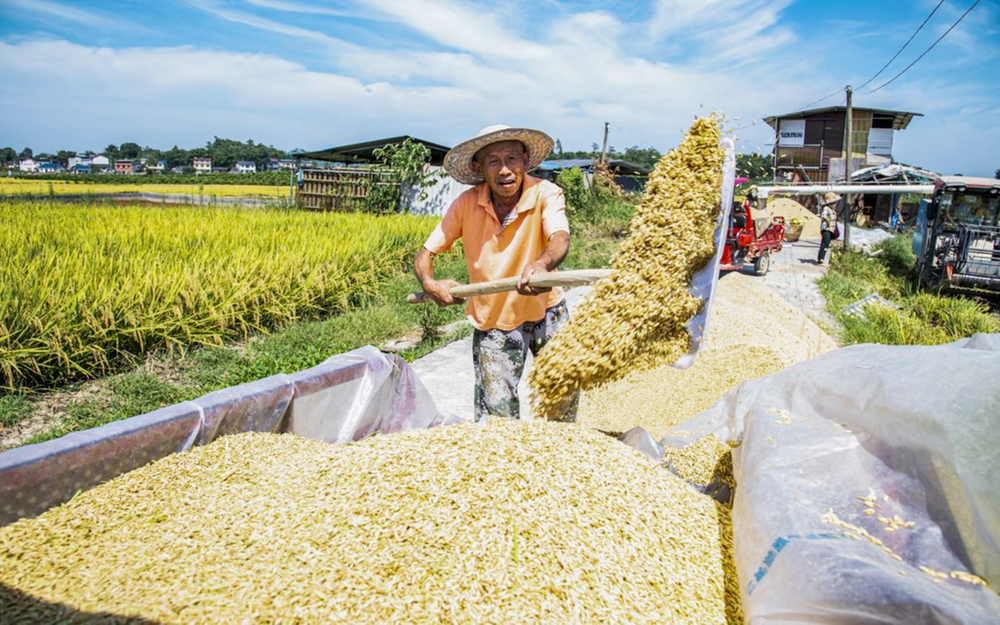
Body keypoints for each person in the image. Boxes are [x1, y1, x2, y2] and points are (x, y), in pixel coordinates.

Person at [413, 125, 575, 421]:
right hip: (495, 320)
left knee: (562, 398)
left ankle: (559, 448)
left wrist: (540, 265)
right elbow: (425, 253)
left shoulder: (545, 193)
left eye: (511, 158)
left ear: (525, 160)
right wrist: (430, 283)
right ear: (479, 168)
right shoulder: (466, 204)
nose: (505, 170)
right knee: (497, 415)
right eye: (493, 162)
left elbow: (560, 238)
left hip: (548, 312)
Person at [817, 192, 840, 265]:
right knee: (824, 244)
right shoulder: (826, 208)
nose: (835, 203)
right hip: (826, 229)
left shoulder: (832, 210)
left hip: (831, 229)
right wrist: (828, 220)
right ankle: (820, 259)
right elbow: (823, 215)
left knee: (826, 244)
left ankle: (822, 258)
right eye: (834, 202)